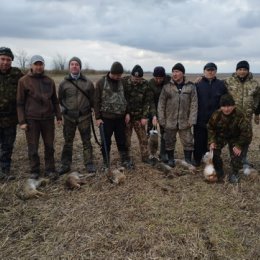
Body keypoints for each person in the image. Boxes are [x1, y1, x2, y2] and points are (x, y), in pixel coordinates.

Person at [17, 55, 62, 179]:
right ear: (31, 66)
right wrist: (22, 121)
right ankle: (35, 170)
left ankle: (50, 169)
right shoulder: (23, 81)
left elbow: (55, 100)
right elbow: (20, 103)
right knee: (33, 147)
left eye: (40, 64)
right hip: (32, 120)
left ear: (44, 65)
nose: (38, 66)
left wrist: (58, 116)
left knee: (49, 146)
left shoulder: (49, 80)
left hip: (48, 119)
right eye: (36, 64)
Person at [58, 57, 96, 175]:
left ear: (80, 67)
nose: (74, 66)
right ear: (69, 67)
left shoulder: (88, 83)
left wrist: (95, 113)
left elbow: (93, 100)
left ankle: (89, 163)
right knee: (68, 141)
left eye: (77, 64)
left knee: (86, 141)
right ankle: (65, 164)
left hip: (84, 117)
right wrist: (64, 111)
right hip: (69, 118)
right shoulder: (63, 84)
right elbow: (59, 100)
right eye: (72, 64)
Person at [158, 63, 198, 167]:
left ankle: (188, 159)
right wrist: (162, 119)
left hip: (185, 120)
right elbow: (161, 104)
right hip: (170, 120)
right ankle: (171, 159)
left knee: (188, 141)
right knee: (169, 140)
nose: (174, 74)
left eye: (177, 72)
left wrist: (192, 119)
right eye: (173, 72)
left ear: (182, 73)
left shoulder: (190, 86)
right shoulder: (167, 87)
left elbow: (194, 104)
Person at [94, 61, 132, 169]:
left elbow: (127, 99)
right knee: (105, 141)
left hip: (120, 118)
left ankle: (125, 160)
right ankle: (106, 163)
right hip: (106, 119)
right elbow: (96, 101)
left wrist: (127, 113)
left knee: (122, 140)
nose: (117, 77)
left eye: (119, 75)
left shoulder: (123, 82)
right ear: (111, 72)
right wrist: (97, 118)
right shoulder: (101, 82)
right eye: (116, 75)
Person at [208, 94, 252, 183]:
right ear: (220, 107)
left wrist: (239, 145)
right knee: (213, 152)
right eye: (224, 106)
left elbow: (247, 132)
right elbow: (210, 127)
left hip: (236, 138)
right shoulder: (216, 115)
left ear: (234, 106)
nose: (227, 109)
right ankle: (218, 169)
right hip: (221, 136)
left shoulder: (240, 115)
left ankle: (234, 173)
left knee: (237, 154)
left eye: (229, 106)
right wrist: (212, 141)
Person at [224, 60, 260, 166]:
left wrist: (256, 113)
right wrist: (201, 78)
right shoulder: (228, 81)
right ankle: (234, 158)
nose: (242, 71)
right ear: (236, 70)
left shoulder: (254, 83)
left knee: (246, 137)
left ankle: (243, 158)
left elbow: (258, 99)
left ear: (248, 71)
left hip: (247, 117)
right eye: (240, 69)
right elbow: (216, 84)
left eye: (244, 69)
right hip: (233, 116)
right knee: (233, 137)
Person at [193, 62, 227, 166]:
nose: (210, 72)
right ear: (204, 71)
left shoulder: (221, 85)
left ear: (215, 71)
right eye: (208, 70)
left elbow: (225, 101)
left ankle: (212, 160)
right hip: (200, 118)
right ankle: (197, 159)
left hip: (215, 119)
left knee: (212, 141)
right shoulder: (197, 84)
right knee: (199, 140)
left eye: (212, 70)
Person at [123, 65, 156, 164]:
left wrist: (144, 116)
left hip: (139, 116)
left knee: (143, 139)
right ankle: (126, 158)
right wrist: (126, 113)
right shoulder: (124, 82)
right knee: (126, 140)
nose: (136, 80)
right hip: (127, 117)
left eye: (138, 78)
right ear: (131, 75)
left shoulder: (145, 85)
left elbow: (147, 102)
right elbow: (122, 99)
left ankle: (145, 157)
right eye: (134, 78)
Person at [0, 47, 24, 180]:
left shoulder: (17, 73)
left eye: (8, 60)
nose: (5, 62)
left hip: (10, 118)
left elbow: (28, 84)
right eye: (2, 59)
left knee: (7, 146)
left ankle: (4, 171)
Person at [147, 66, 171, 162]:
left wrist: (201, 77)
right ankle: (152, 154)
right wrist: (153, 115)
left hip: (165, 112)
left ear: (164, 77)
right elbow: (151, 101)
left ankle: (163, 153)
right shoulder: (150, 84)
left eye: (160, 78)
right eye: (156, 78)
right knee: (151, 132)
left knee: (165, 133)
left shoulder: (169, 81)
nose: (158, 80)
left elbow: (181, 79)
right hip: (153, 110)